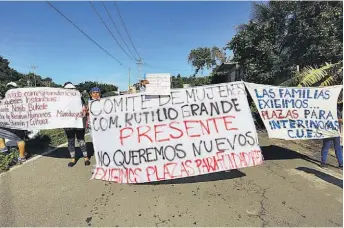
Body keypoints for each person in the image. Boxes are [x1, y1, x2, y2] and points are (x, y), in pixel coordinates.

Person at [63, 82, 90, 167]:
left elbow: (83, 107)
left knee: (73, 140)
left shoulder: (77, 96)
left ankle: (76, 158)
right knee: (79, 139)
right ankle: (84, 158)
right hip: (72, 123)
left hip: (75, 122)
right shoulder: (78, 95)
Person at [0, 82, 27, 163]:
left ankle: (3, 149)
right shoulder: (22, 99)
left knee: (1, 134)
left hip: (5, 121)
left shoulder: (3, 99)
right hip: (17, 122)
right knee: (19, 139)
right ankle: (21, 157)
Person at [320, 103, 343, 169]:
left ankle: (323, 163)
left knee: (326, 148)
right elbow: (339, 120)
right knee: (336, 148)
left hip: (330, 131)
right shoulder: (337, 111)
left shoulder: (325, 110)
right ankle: (341, 164)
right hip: (334, 132)